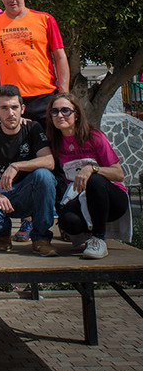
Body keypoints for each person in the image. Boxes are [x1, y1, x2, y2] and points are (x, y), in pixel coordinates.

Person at [0, 84, 58, 257]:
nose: (10, 113)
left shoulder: (32, 129)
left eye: (14, 107)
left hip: (25, 194)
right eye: (4, 108)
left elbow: (49, 161)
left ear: (22, 109)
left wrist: (17, 166)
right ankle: (3, 234)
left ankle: (41, 239)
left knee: (45, 176)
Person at [46, 92, 131, 259]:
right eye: (54, 112)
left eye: (65, 110)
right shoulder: (53, 143)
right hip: (80, 197)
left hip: (111, 198)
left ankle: (99, 239)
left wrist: (92, 169)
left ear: (76, 114)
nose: (59, 115)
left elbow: (119, 173)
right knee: (67, 221)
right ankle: (88, 234)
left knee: (95, 180)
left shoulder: (94, 136)